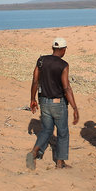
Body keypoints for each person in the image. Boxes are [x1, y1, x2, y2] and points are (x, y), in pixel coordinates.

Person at [26, 37, 79, 169]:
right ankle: (60, 162)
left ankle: (34, 152)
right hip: (58, 103)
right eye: (65, 49)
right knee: (62, 132)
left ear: (53, 48)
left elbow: (35, 81)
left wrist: (32, 99)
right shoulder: (63, 65)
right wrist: (74, 107)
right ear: (62, 49)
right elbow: (66, 88)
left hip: (43, 101)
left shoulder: (41, 60)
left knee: (46, 130)